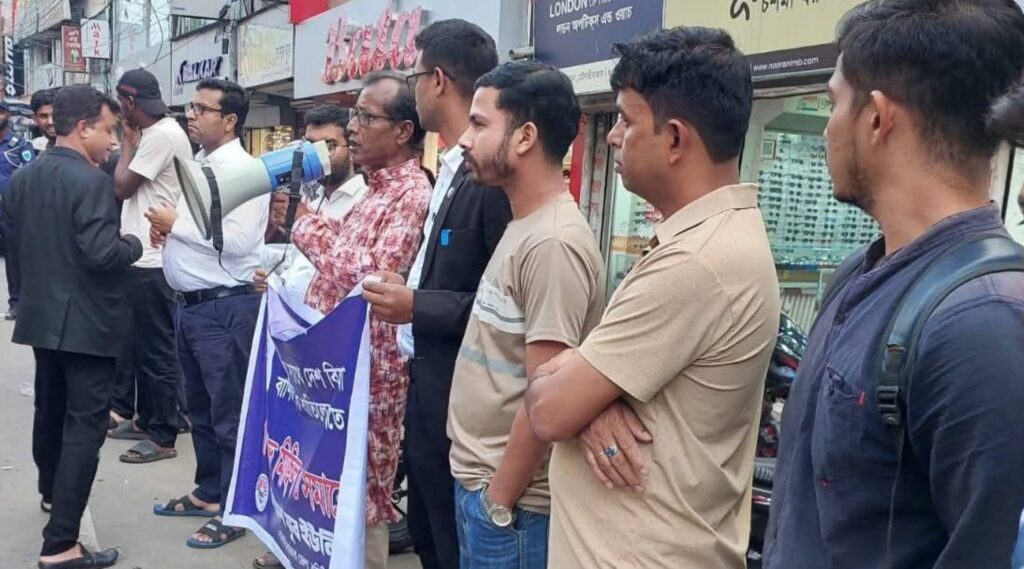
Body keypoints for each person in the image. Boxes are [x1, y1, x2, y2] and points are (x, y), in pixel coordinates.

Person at [765, 1, 1024, 568]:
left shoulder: (982, 324)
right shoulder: (860, 271)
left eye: (833, 103)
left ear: (878, 118)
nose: (828, 128)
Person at [521, 28, 779, 569]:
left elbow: (546, 411)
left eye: (625, 120)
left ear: (675, 139)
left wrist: (574, 392)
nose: (613, 137)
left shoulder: (696, 262)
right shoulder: (705, 241)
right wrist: (588, 399)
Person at [251, 71, 432, 569]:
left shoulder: (411, 193)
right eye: (354, 115)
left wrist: (303, 224)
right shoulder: (374, 190)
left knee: (360, 496)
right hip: (333, 368)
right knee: (324, 480)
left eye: (366, 117)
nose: (353, 127)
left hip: (365, 376)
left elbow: (368, 276)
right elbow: (343, 251)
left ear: (403, 131)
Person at [359, 20, 511, 569]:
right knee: (427, 534)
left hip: (462, 396)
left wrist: (416, 304)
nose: (413, 88)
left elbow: (504, 304)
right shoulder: (447, 168)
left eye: (415, 76)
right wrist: (410, 289)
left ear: (438, 80)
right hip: (424, 385)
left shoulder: (490, 180)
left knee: (452, 543)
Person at [446, 60, 605, 569]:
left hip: (512, 511)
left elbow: (546, 397)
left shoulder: (553, 242)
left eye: (479, 123)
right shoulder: (526, 224)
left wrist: (498, 500)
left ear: (525, 137)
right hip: (483, 487)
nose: (464, 140)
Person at [4, 84, 140, 569]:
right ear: (83, 128)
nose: (112, 141)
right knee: (85, 427)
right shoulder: (91, 181)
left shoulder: (24, 177)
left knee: (51, 410)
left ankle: (51, 493)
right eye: (108, 130)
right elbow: (102, 254)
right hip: (88, 323)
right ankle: (61, 543)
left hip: (43, 317)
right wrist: (133, 244)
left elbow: (15, 246)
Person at [146, 78, 266, 550]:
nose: (190, 116)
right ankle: (210, 491)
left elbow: (239, 242)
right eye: (191, 107)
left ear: (230, 120)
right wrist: (167, 234)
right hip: (191, 306)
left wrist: (177, 226)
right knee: (199, 409)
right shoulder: (197, 164)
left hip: (225, 307)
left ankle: (236, 506)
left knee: (229, 412)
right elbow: (195, 230)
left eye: (201, 109)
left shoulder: (247, 171)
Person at [109, 68, 192, 464]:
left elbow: (121, 186)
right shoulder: (161, 133)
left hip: (153, 260)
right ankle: (147, 420)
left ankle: (162, 434)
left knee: (157, 351)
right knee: (144, 348)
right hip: (145, 256)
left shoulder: (159, 136)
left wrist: (127, 143)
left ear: (128, 103)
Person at [258, 104, 368, 307]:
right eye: (310, 147)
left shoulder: (365, 203)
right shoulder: (313, 203)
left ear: (351, 149)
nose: (318, 157)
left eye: (329, 146)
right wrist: (275, 279)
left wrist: (302, 222)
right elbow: (303, 267)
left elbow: (355, 273)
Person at [0, 99, 38, 321]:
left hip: (10, 208)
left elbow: (30, 174)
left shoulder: (19, 145)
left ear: (7, 115)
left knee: (14, 256)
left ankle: (17, 302)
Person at [31, 88, 58, 152]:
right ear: (35, 119)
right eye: (44, 116)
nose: (50, 122)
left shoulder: (78, 146)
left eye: (55, 115)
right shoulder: (35, 147)